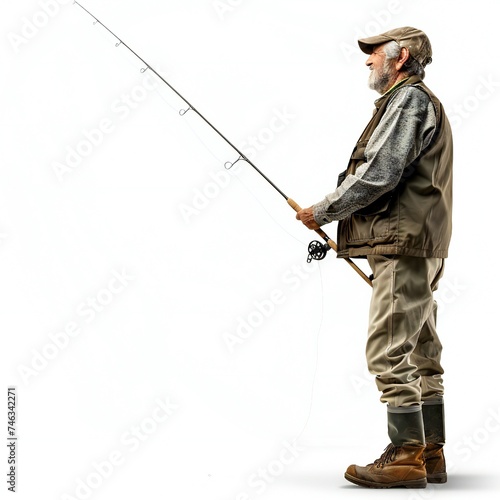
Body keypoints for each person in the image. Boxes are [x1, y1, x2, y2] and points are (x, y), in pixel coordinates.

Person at [295, 27, 452, 489]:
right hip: (415, 245)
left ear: (400, 58)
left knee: (388, 348)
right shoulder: (413, 102)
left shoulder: (409, 102)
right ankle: (430, 451)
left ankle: (405, 456)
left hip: (404, 247)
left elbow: (378, 174)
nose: (367, 62)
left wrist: (322, 210)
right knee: (422, 349)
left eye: (375, 55)